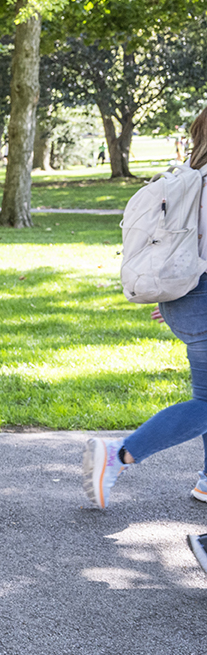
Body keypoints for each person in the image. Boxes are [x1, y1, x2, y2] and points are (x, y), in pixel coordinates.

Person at [87, 106, 207, 528]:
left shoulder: (192, 178)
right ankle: (118, 455)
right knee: (206, 403)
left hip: (188, 297)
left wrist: (178, 299)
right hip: (200, 299)